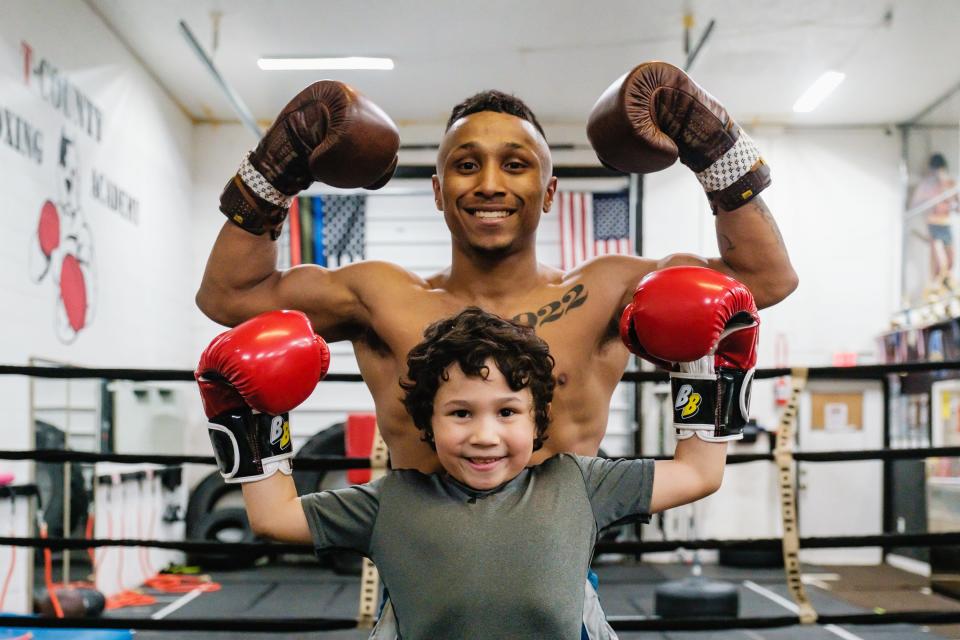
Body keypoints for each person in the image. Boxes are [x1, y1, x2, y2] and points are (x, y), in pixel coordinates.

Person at [195, 61, 795, 636]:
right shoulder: (379, 295)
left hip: (556, 587)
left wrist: (716, 150)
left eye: (515, 164)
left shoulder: (607, 289)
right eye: (465, 164)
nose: (489, 184)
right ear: (436, 189)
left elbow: (765, 281)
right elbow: (229, 294)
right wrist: (271, 174)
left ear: (550, 188)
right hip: (419, 587)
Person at [195, 266, 760, 638]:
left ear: (538, 420)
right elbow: (273, 518)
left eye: (507, 412)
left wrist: (709, 369)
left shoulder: (578, 483)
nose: (484, 435)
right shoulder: (392, 501)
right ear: (429, 423)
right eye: (461, 413)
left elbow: (697, 474)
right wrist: (249, 418)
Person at [910, 153, 959, 296]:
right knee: (940, 263)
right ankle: (935, 288)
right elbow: (916, 205)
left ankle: (946, 288)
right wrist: (931, 200)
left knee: (950, 261)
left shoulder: (950, 184)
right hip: (933, 224)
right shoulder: (926, 185)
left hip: (946, 223)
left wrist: (951, 200)